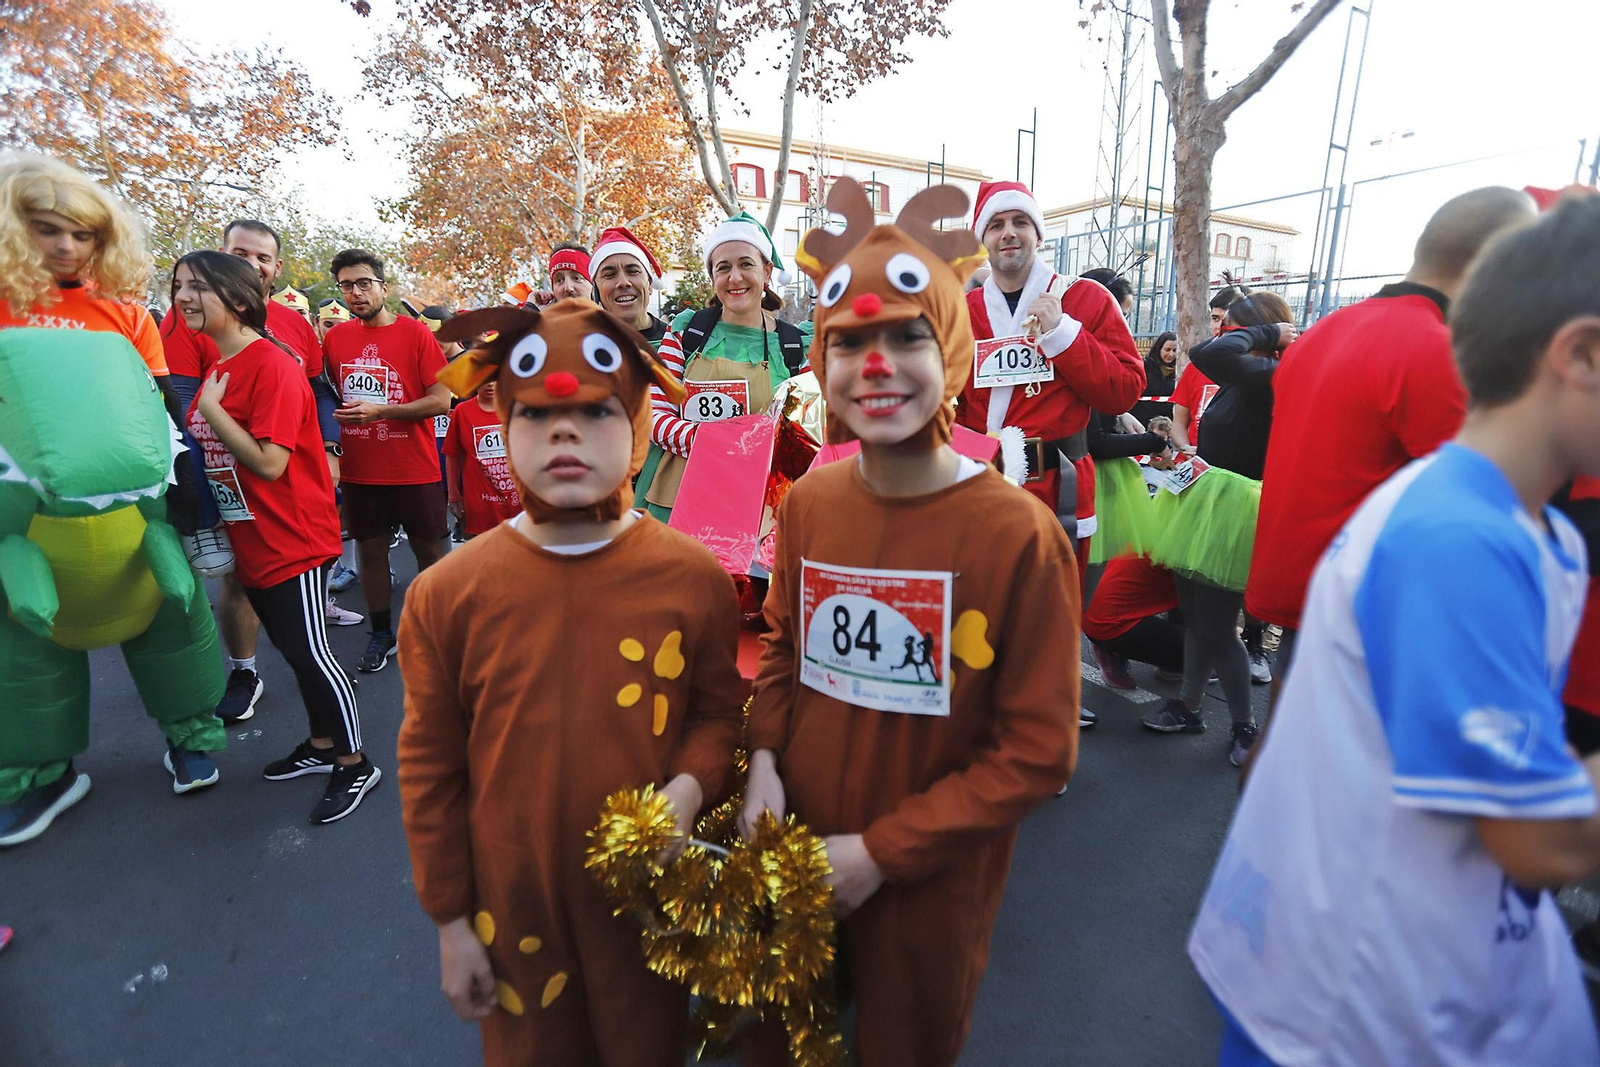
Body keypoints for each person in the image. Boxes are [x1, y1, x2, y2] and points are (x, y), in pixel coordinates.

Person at [1188, 194, 1600, 1067]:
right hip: (1350, 1010)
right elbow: (1541, 833)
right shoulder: (1458, 534)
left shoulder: (1534, 532)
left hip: (1398, 967)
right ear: (1580, 353)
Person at [740, 179, 1078, 1066]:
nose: (875, 365)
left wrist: (884, 852)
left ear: (952, 352)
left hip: (933, 880)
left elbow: (1038, 750)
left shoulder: (1020, 536)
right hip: (796, 843)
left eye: (906, 335)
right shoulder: (810, 501)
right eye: (848, 342)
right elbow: (782, 643)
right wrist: (765, 762)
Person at [396, 299, 744, 1065]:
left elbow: (720, 716)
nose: (563, 431)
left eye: (595, 411)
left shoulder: (692, 578)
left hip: (647, 903)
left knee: (645, 1044)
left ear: (638, 428)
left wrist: (687, 791)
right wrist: (451, 921)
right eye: (535, 415)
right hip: (514, 905)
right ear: (502, 424)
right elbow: (430, 768)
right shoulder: (448, 593)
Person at [0, 152, 228, 840]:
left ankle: (191, 737)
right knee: (25, 644)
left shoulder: (125, 313)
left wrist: (192, 503)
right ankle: (42, 774)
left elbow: (160, 406)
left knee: (173, 618)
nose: (66, 246)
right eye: (47, 229)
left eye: (82, 233)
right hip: (28, 515)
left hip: (134, 511)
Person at [1244, 187, 1538, 701]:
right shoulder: (1433, 350)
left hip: (1304, 588)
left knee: (1288, 752)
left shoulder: (1320, 334)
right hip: (1370, 615)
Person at [176, 251, 379, 824]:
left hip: (293, 535)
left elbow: (269, 463)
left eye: (197, 287)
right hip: (250, 535)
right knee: (292, 650)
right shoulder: (223, 363)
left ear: (239, 299)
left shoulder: (271, 365)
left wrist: (214, 412)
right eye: (178, 287)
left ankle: (355, 762)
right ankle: (321, 748)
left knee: (312, 655)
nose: (184, 297)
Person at [955, 180, 1144, 727]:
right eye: (996, 224)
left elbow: (1124, 391)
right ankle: (987, 717)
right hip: (980, 482)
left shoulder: (1086, 299)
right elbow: (945, 402)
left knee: (1055, 611)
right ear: (983, 238)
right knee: (983, 606)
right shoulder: (964, 309)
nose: (1008, 233)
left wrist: (1063, 331)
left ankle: (1046, 727)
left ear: (1037, 232)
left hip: (1056, 483)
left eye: (1019, 222)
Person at [160, 218, 342, 723]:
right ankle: (249, 675)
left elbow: (302, 413)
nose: (250, 264)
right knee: (283, 633)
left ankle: (350, 762)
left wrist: (332, 449)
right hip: (240, 510)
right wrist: (200, 506)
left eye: (261, 258)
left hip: (287, 522)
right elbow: (181, 407)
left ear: (274, 269)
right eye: (239, 254)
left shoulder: (283, 340)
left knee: (309, 655)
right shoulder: (202, 340)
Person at [1140, 293, 1297, 765]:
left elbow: (1207, 352)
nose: (1225, 333)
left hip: (1234, 512)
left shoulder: (1269, 375)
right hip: (1202, 500)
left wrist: (1268, 335)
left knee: (1217, 625)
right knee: (1193, 615)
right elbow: (1211, 357)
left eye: (1235, 327)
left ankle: (1244, 725)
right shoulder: (1242, 376)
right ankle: (1188, 705)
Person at [322, 248, 451, 673]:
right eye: (346, 285)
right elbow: (326, 398)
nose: (355, 293)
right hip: (362, 471)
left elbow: (441, 401)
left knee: (429, 554)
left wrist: (382, 412)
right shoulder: (335, 340)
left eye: (363, 283)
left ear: (382, 286)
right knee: (370, 555)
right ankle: (381, 634)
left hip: (413, 468)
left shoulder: (415, 334)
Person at [635, 211, 806, 523]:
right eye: (723, 267)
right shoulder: (686, 332)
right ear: (712, 276)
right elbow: (654, 414)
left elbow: (804, 435)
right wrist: (714, 444)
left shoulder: (793, 346)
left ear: (767, 272)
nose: (735, 277)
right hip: (675, 502)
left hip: (757, 509)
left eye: (746, 264)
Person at [1086, 554, 1184, 689]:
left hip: (1094, 611)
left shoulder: (1162, 535)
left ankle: (1109, 646)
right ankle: (1111, 651)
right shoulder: (1191, 550)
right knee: (1201, 655)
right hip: (1109, 624)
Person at [443, 377, 521, 538]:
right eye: (484, 378)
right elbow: (452, 455)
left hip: (519, 506)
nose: (490, 383)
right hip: (480, 507)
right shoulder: (462, 412)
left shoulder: (518, 409)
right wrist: (454, 495)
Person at [590, 226, 673, 346]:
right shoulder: (584, 349)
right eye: (609, 274)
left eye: (633, 271)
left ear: (649, 284)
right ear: (596, 290)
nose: (623, 282)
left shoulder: (679, 344)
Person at [1132, 330, 1178, 424]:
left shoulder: (1178, 372)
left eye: (1174, 350)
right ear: (1159, 349)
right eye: (1167, 349)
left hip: (1165, 426)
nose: (1171, 354)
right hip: (1141, 423)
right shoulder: (1144, 367)